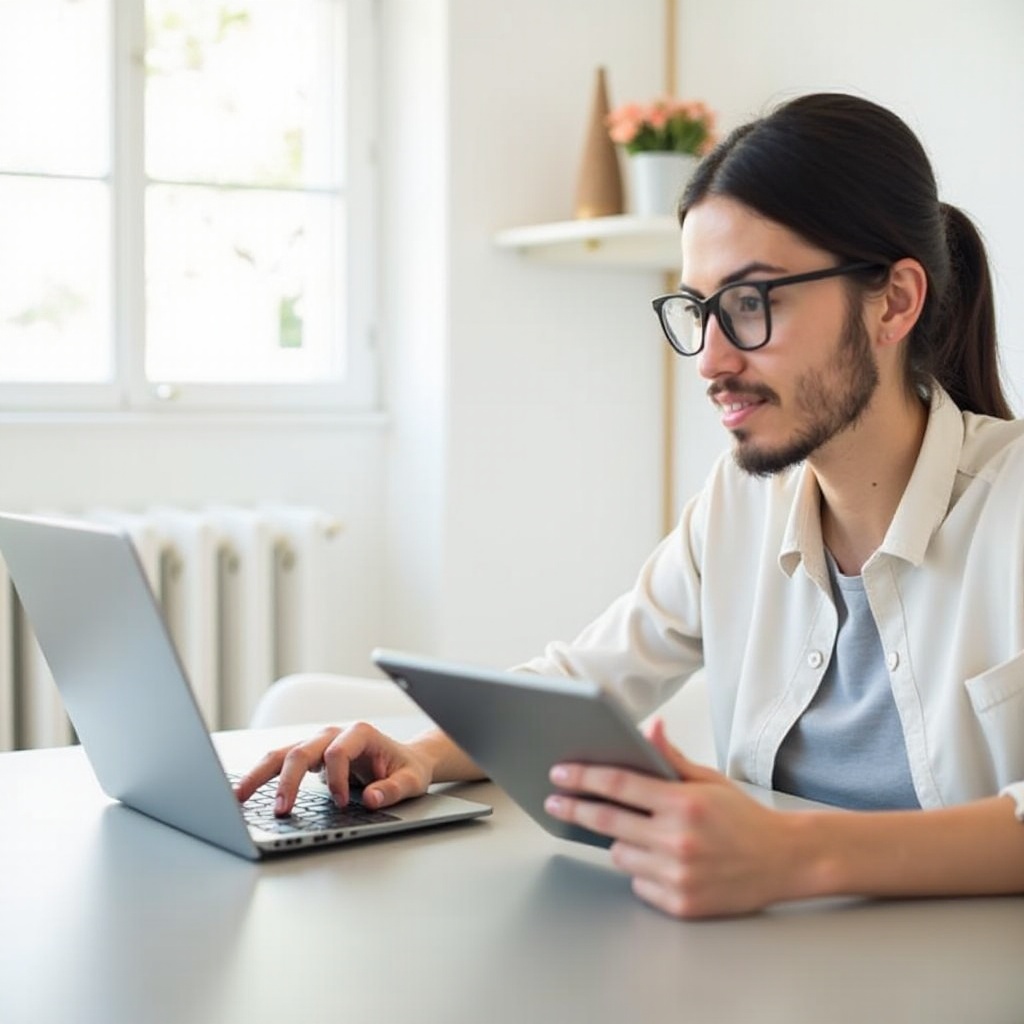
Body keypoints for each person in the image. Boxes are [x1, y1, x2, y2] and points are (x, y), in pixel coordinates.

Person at [236, 92, 1024, 919]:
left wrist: (792, 854)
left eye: (753, 304)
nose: (710, 361)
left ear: (895, 301)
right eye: (699, 310)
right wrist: (422, 754)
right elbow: (588, 682)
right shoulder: (740, 503)